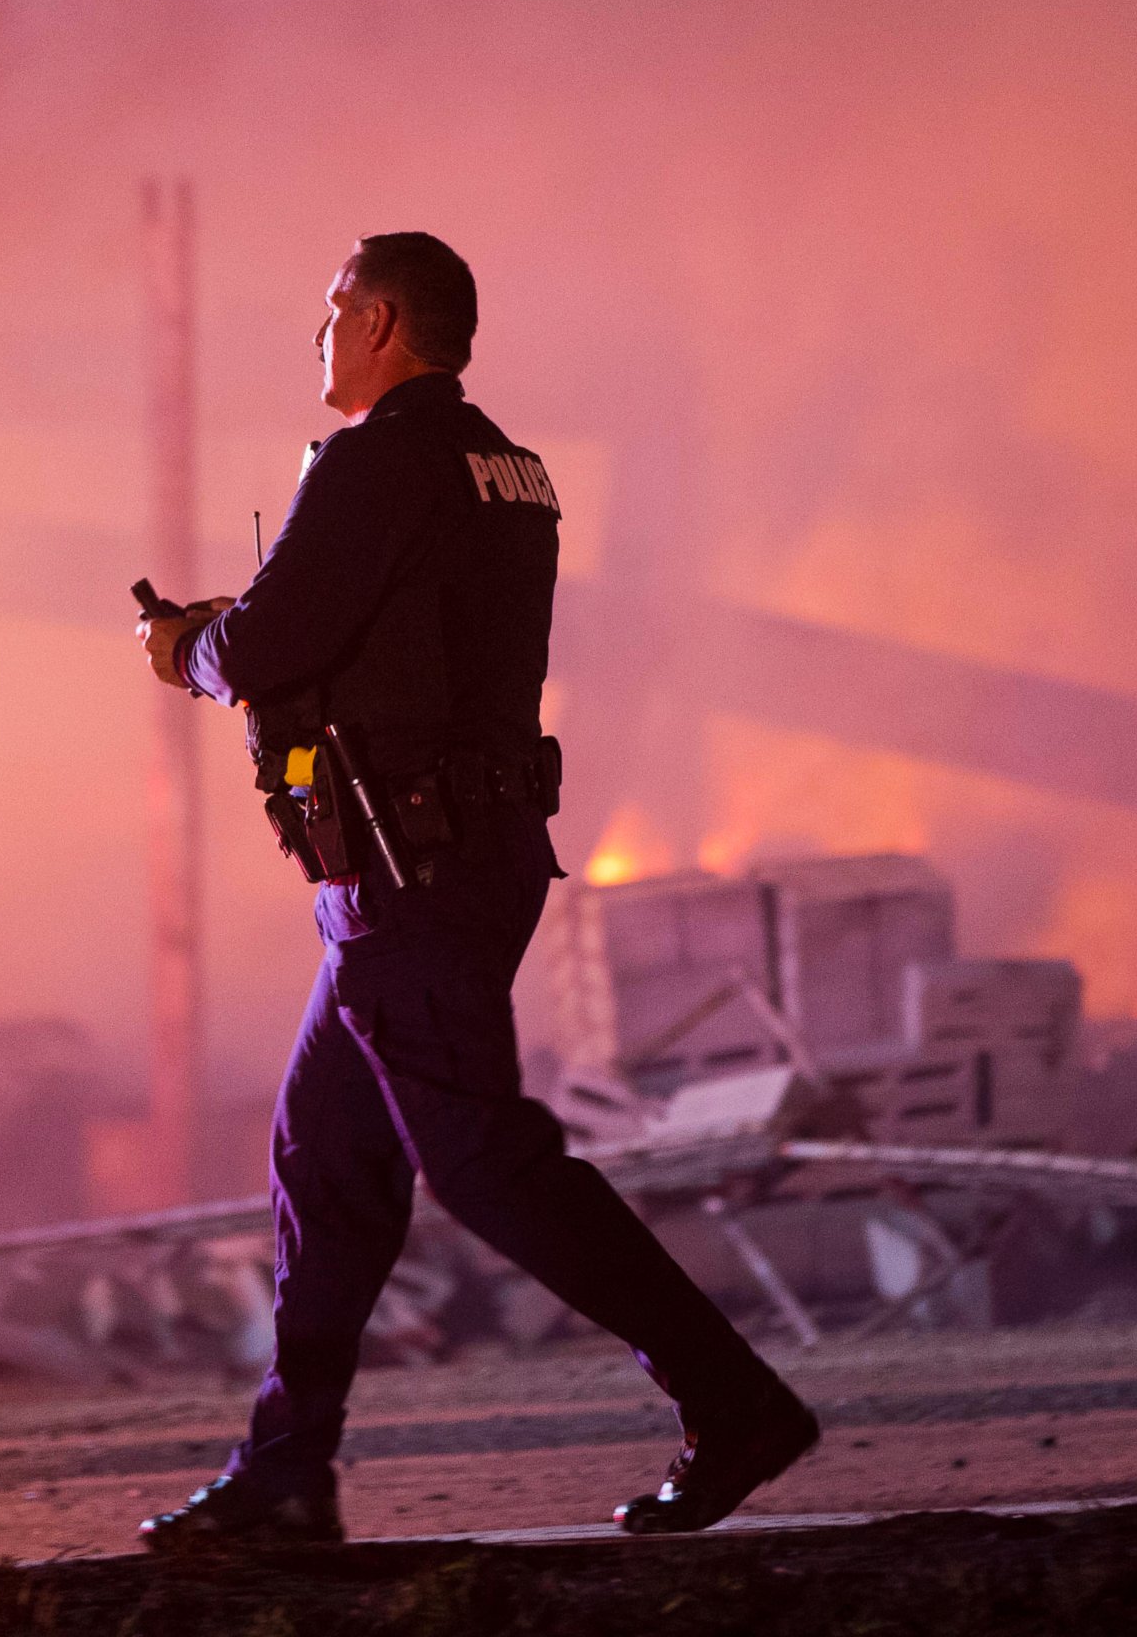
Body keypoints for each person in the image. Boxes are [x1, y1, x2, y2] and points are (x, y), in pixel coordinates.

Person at [132, 232, 817, 1550]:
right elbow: (393, 633)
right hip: (455, 865)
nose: (318, 336)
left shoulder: (381, 461)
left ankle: (733, 1404)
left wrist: (189, 649)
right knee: (324, 1156)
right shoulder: (509, 468)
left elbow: (274, 643)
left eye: (332, 309)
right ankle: (286, 1472)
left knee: (487, 1165)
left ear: (383, 321)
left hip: (411, 876)